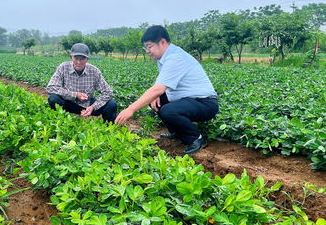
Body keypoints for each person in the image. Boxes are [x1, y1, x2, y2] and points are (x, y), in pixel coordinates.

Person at [115, 25, 218, 155]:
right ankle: (177, 132)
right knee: (157, 101)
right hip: (189, 100)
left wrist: (130, 109)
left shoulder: (176, 57)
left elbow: (157, 89)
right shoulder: (164, 58)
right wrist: (158, 94)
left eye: (149, 46)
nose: (147, 51)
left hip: (205, 103)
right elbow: (161, 84)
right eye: (146, 47)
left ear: (162, 42)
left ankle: (196, 138)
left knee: (168, 110)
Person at [47, 43, 117, 123]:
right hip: (68, 102)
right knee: (53, 98)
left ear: (87, 59)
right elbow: (51, 87)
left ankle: (108, 129)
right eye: (76, 58)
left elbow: (108, 92)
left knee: (111, 104)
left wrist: (93, 107)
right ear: (71, 57)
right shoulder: (63, 67)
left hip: (88, 104)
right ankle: (60, 123)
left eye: (82, 59)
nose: (79, 62)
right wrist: (75, 95)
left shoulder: (94, 71)